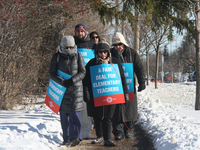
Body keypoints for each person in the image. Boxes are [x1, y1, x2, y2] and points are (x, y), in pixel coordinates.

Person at [83, 39, 129, 146]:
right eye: (100, 52)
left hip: (111, 94)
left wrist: (125, 94)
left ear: (108, 52)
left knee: (108, 116)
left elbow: (122, 80)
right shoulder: (91, 63)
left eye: (105, 52)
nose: (103, 54)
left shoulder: (115, 63)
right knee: (97, 116)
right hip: (96, 94)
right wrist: (86, 92)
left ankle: (108, 139)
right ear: (97, 52)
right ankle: (100, 136)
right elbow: (85, 81)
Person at [49, 36, 86, 147]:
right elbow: (52, 73)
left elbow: (83, 72)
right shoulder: (56, 57)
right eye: (66, 47)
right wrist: (61, 81)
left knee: (75, 114)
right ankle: (66, 138)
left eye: (70, 47)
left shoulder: (78, 56)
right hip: (62, 90)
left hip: (76, 90)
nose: (68, 49)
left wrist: (72, 80)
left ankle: (75, 137)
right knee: (64, 116)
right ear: (62, 46)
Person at [110, 32, 146, 140]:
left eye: (120, 44)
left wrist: (142, 81)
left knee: (130, 108)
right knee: (116, 109)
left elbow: (139, 68)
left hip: (129, 85)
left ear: (124, 43)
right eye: (115, 45)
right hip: (115, 86)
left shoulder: (132, 53)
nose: (118, 47)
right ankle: (118, 131)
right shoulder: (110, 54)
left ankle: (128, 129)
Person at [74, 23, 96, 139]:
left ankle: (88, 129)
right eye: (78, 31)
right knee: (80, 105)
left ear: (85, 32)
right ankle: (81, 132)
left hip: (90, 78)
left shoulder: (92, 45)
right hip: (76, 79)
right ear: (75, 33)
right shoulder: (72, 44)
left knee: (89, 104)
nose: (80, 33)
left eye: (82, 31)